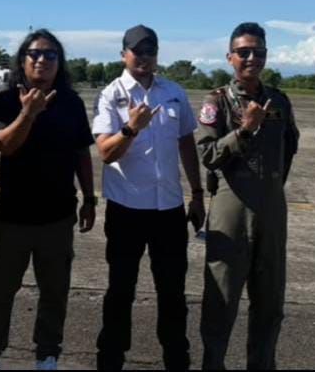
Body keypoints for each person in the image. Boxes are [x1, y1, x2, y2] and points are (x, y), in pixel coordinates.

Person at [0, 29, 96, 372]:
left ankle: (47, 355)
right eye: (35, 54)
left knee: (54, 293)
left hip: (58, 217)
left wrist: (89, 198)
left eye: (50, 55)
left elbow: (81, 153)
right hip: (13, 217)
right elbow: (6, 145)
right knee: (0, 291)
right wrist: (28, 114)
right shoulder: (5, 102)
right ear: (22, 61)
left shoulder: (71, 102)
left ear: (60, 62)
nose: (42, 60)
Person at [92, 25, 205, 372]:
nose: (143, 57)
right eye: (136, 50)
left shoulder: (173, 93)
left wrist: (197, 194)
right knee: (120, 291)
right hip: (126, 209)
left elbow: (186, 142)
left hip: (168, 210)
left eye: (150, 50)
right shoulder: (112, 95)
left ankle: (176, 359)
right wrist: (131, 128)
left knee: (172, 293)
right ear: (123, 54)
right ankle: (110, 359)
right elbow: (106, 153)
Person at [196, 23, 298, 371]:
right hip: (231, 205)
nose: (252, 58)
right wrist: (244, 130)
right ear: (230, 57)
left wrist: (270, 187)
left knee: (270, 300)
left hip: (271, 208)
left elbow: (290, 148)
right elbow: (208, 155)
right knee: (221, 298)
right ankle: (213, 364)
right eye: (244, 52)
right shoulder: (217, 101)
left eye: (259, 52)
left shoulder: (280, 100)